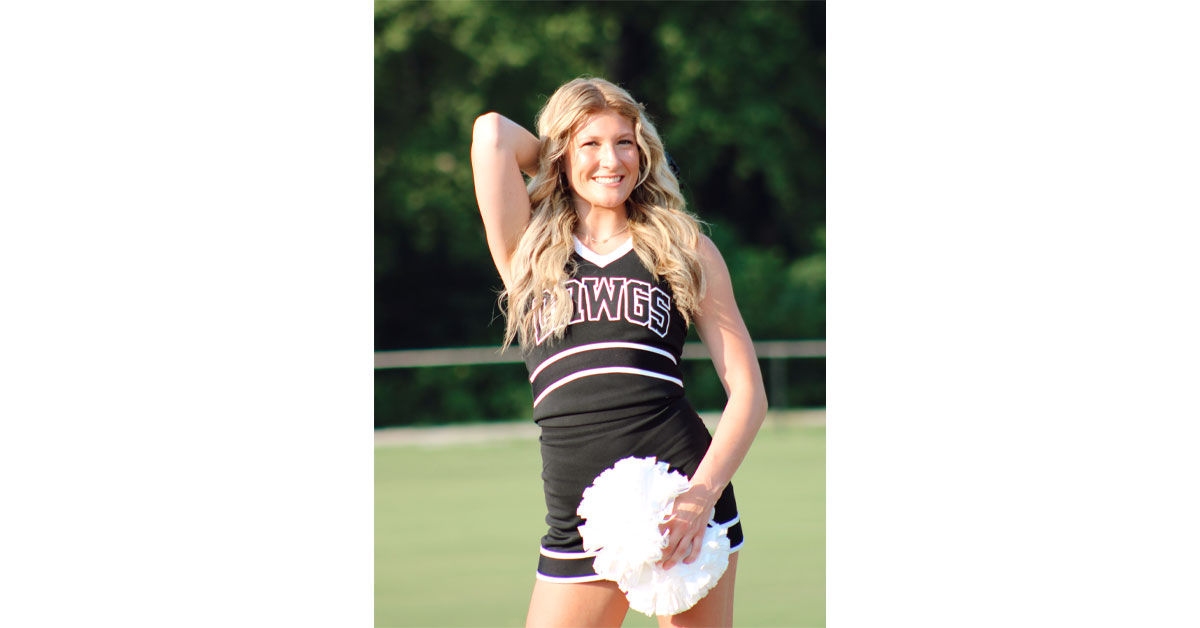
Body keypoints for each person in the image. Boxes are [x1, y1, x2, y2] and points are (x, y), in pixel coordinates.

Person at [470, 77, 767, 627]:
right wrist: (559, 160)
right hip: (577, 518)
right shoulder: (527, 253)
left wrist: (700, 498)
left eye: (625, 143)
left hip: (680, 498)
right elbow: (492, 135)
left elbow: (748, 393)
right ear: (561, 153)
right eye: (591, 144)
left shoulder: (684, 249)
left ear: (644, 152)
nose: (611, 160)